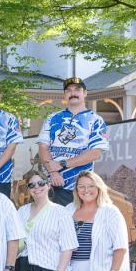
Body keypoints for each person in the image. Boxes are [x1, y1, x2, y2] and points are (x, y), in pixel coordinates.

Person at [37, 77, 110, 206]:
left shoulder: (96, 120)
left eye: (77, 89)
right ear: (64, 95)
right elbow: (43, 147)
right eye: (69, 90)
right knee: (54, 224)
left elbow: (95, 153)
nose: (73, 93)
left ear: (85, 93)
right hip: (54, 185)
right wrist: (53, 173)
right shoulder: (52, 118)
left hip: (81, 188)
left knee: (80, 223)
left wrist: (62, 164)